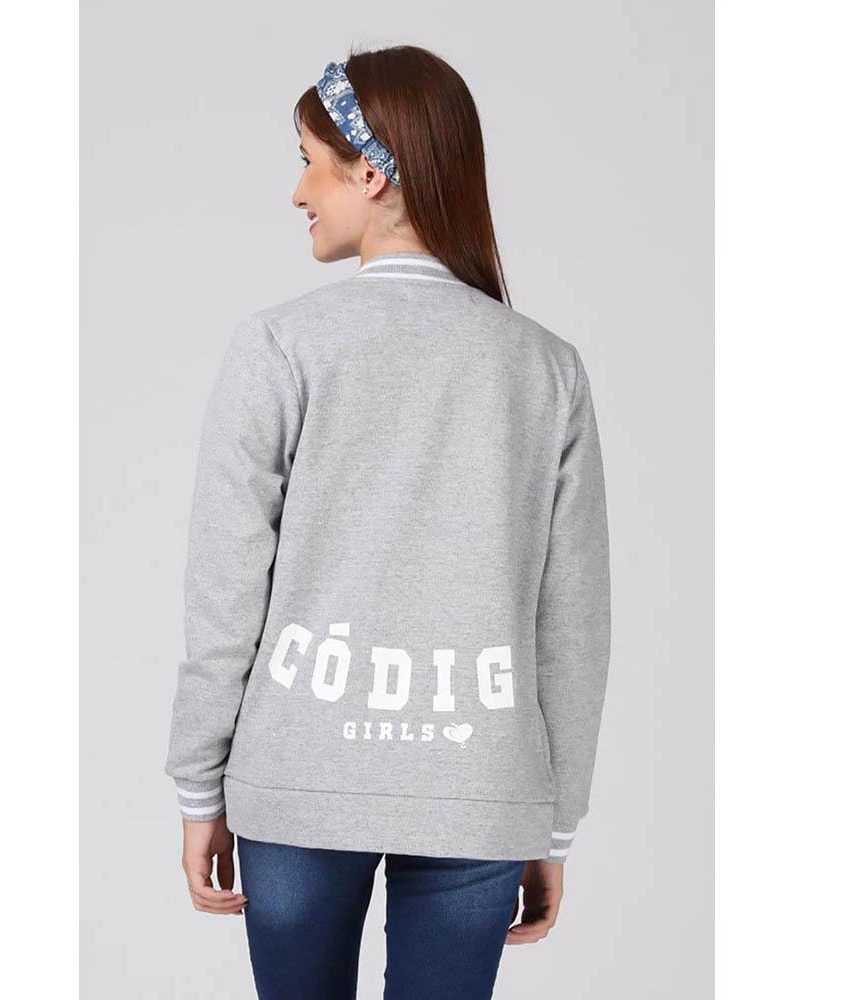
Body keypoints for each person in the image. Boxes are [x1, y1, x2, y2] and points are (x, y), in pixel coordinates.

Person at [164, 45, 612, 1000]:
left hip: (299, 778)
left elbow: (224, 592)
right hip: (480, 784)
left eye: (308, 161)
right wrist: (553, 820)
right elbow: (573, 625)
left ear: (370, 172)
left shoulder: (280, 347)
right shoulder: (546, 368)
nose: (297, 191)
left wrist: (199, 786)